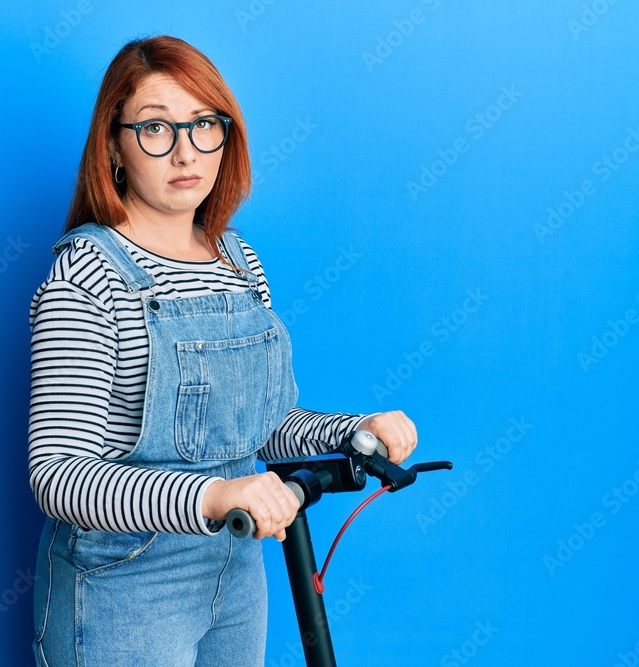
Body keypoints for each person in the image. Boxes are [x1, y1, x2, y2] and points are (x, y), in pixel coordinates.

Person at [28, 34, 418, 667]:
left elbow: (258, 432)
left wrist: (359, 430)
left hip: (235, 570)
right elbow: (60, 478)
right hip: (123, 586)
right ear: (113, 146)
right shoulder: (87, 276)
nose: (185, 151)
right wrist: (214, 498)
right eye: (155, 128)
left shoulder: (237, 260)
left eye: (203, 124)